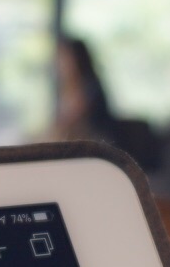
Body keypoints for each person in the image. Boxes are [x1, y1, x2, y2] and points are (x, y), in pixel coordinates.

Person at [52, 36, 160, 170]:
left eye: (64, 58)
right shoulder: (66, 89)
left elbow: (70, 121)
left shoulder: (89, 87)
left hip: (100, 148)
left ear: (76, 59)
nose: (59, 65)